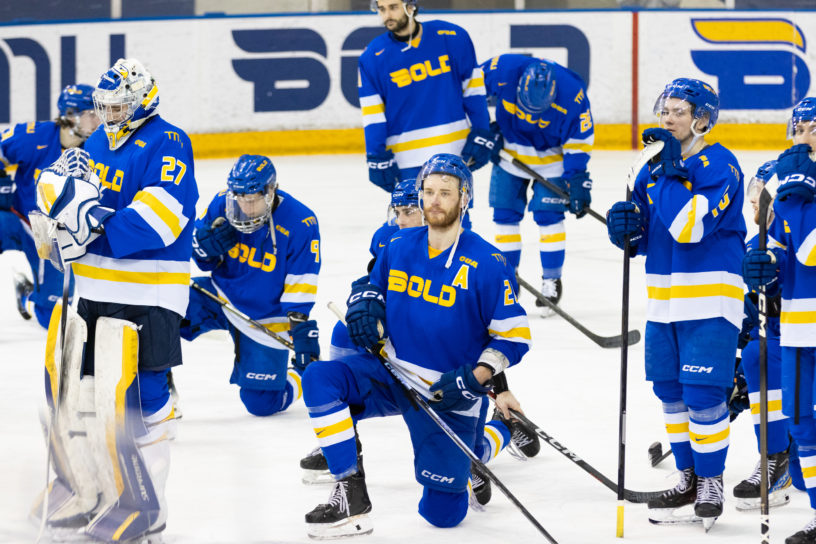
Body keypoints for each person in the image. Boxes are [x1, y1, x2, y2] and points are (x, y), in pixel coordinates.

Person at [300, 153, 530, 538]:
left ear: (464, 199)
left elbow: (513, 335)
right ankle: (350, 492)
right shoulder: (398, 245)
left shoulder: (489, 263)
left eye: (445, 192)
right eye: (428, 192)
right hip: (389, 374)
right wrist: (367, 308)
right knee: (320, 378)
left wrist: (475, 380)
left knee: (443, 514)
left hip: (448, 393)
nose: (434, 200)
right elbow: (370, 287)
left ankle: (501, 431)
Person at [35, 58, 197, 542]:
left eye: (119, 105)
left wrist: (87, 230)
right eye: (103, 106)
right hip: (92, 292)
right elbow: (62, 195)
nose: (109, 114)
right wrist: (58, 219)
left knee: (141, 402)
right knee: (85, 396)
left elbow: (162, 219)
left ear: (144, 100)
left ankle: (146, 506)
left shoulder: (169, 141)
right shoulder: (98, 143)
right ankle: (90, 489)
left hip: (150, 294)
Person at [606, 78, 745, 528]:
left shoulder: (720, 164)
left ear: (702, 119)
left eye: (678, 112)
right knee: (669, 390)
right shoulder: (648, 167)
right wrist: (627, 230)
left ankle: (710, 481)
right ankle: (687, 478)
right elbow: (652, 234)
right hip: (664, 300)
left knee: (704, 393)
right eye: (663, 111)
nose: (667, 119)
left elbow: (689, 227)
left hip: (710, 298)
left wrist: (666, 171)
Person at [181, 154, 321, 417]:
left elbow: (301, 280)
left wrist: (299, 326)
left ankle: (298, 377)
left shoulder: (301, 222)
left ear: (271, 191)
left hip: (267, 317)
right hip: (220, 297)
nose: (246, 207)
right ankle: (160, 384)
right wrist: (204, 249)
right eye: (240, 198)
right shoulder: (222, 203)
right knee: (164, 310)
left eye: (253, 199)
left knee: (261, 404)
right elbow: (201, 256)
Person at [743, 96, 816, 544]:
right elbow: (775, 246)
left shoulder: (792, 184)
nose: (806, 137)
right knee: (803, 425)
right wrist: (761, 267)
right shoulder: (781, 178)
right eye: (801, 129)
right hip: (798, 326)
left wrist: (794, 189)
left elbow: (810, 248)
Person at [359, 0, 492, 229]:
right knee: (411, 224)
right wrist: (376, 155)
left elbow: (474, 90)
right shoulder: (372, 56)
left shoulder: (451, 36)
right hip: (406, 159)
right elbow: (373, 114)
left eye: (393, 7)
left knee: (457, 222)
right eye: (381, 9)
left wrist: (482, 130)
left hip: (453, 153)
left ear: (411, 6)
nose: (387, 15)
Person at [480, 54, 594, 315]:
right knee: (505, 216)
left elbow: (580, 141)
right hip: (510, 153)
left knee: (548, 216)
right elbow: (467, 96)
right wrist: (484, 131)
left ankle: (551, 280)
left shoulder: (573, 95)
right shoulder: (501, 69)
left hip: (553, 160)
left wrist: (577, 179)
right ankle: (508, 279)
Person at [0, 84, 99, 328]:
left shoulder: (101, 147)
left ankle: (29, 291)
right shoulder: (34, 136)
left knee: (52, 316)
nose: (99, 120)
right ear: (71, 115)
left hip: (55, 235)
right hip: (18, 218)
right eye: (92, 114)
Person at [732, 160, 796, 511]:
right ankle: (776, 458)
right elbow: (752, 313)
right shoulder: (754, 243)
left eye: (763, 195)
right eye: (753, 194)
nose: (754, 201)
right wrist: (738, 374)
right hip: (781, 339)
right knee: (756, 355)